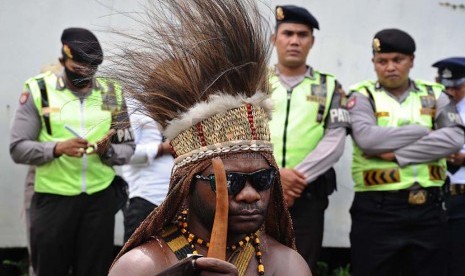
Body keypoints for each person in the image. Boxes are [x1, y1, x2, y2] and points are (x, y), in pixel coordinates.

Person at [109, 0, 311, 275]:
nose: (251, 194)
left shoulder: (287, 265)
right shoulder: (143, 265)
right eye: (230, 181)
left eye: (263, 179)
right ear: (188, 184)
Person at [9, 27, 135, 276]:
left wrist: (107, 152)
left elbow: (128, 147)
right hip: (53, 199)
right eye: (77, 71)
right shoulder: (40, 91)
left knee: (94, 270)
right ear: (64, 61)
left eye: (89, 73)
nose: (83, 79)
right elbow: (17, 147)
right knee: (50, 269)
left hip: (99, 201)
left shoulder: (110, 93)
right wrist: (56, 148)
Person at [348, 29, 465, 276]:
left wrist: (400, 154)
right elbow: (368, 139)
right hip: (377, 210)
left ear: (411, 60)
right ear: (374, 63)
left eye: (397, 60)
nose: (390, 67)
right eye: (383, 61)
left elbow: (455, 137)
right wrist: (423, 129)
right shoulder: (362, 95)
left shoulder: (435, 94)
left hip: (429, 208)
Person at [269, 5, 350, 273]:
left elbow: (335, 141)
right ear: (274, 39)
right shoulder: (254, 81)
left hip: (305, 195)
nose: (294, 40)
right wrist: (273, 176)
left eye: (302, 35)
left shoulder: (330, 87)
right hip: (256, 190)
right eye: (288, 33)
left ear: (312, 41)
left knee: (301, 265)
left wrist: (292, 181)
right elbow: (241, 132)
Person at [432, 57, 465, 276]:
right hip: (439, 195)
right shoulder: (432, 106)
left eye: (457, 87)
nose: (450, 93)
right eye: (445, 87)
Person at [122, 104, 173, 242]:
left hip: (177, 200)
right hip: (146, 199)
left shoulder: (177, 105)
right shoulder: (135, 111)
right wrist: (161, 149)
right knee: (136, 258)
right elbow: (126, 156)